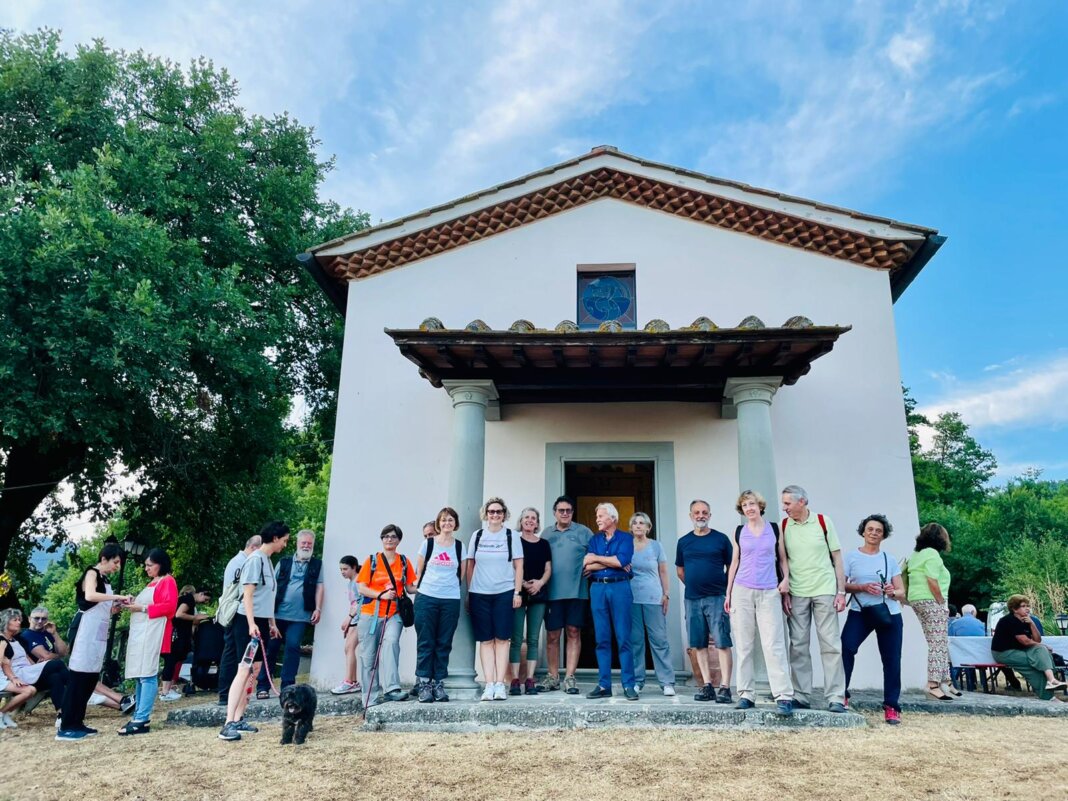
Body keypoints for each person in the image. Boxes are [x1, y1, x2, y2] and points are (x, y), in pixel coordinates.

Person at [218, 521, 290, 742]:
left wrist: (271, 623)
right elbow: (247, 595)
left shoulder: (267, 561)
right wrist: (251, 624)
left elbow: (265, 596)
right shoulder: (255, 560)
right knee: (244, 669)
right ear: (275, 538)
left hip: (260, 621)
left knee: (254, 670)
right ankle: (228, 723)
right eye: (285, 540)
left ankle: (239, 717)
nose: (285, 545)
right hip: (246, 622)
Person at [724, 490, 794, 716]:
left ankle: (783, 695)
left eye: (752, 504)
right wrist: (728, 594)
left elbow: (782, 558)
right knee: (744, 645)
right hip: (742, 590)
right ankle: (745, 693)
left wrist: (785, 580)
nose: (749, 508)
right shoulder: (738, 532)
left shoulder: (774, 529)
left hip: (768, 590)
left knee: (773, 643)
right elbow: (734, 563)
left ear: (759, 505)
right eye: (745, 505)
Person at [780, 485, 848, 713]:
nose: (784, 508)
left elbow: (837, 558)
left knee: (830, 645)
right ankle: (801, 695)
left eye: (788, 503)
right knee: (798, 645)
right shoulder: (784, 526)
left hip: (825, 590)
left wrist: (841, 592)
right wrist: (786, 591)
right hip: (798, 593)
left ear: (802, 502)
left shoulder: (822, 521)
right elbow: (783, 561)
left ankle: (836, 697)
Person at [56, 542, 132, 741]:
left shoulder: (105, 579)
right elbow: (89, 595)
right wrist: (117, 596)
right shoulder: (92, 573)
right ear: (104, 559)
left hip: (97, 631)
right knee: (78, 677)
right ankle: (66, 725)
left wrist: (115, 606)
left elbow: (102, 605)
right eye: (115, 562)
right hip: (85, 629)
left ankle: (77, 721)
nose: (117, 566)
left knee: (90, 678)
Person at [840, 514, 905, 725]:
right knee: (846, 648)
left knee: (892, 659)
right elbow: (841, 584)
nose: (874, 533)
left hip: (888, 613)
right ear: (863, 531)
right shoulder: (851, 557)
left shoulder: (889, 559)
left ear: (883, 535)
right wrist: (863, 587)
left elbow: (901, 591)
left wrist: (891, 591)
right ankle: (842, 694)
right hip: (860, 611)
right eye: (870, 529)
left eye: (878, 530)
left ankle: (891, 706)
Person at [18, 605, 132, 714]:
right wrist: (57, 656)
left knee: (83, 679)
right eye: (36, 618)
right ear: (29, 619)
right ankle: (121, 700)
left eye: (43, 619)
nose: (40, 621)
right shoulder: (28, 635)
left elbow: (64, 651)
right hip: (38, 677)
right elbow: (46, 656)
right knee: (82, 679)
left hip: (56, 673)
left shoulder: (46, 633)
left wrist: (54, 633)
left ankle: (122, 704)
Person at [676, 499, 734, 703]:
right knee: (698, 643)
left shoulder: (721, 539)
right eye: (696, 512)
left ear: (709, 515)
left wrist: (725, 588)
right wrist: (694, 583)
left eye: (704, 512)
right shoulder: (684, 542)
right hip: (692, 598)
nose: (700, 515)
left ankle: (725, 688)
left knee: (722, 641)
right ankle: (707, 686)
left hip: (717, 597)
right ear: (690, 516)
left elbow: (732, 566)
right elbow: (680, 571)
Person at [465, 498, 523, 701]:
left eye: (499, 512)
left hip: (504, 592)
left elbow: (519, 566)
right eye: (491, 512)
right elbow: (470, 565)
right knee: (486, 640)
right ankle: (489, 684)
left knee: (502, 639)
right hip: (480, 594)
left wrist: (517, 593)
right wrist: (470, 592)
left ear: (504, 514)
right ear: (486, 514)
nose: (495, 515)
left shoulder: (511, 535)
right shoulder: (478, 535)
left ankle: (500, 684)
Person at [257, 529, 324, 698]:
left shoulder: (317, 564)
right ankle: (263, 685)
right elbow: (271, 585)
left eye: (309, 543)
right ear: (297, 544)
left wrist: (318, 608)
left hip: (300, 616)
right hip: (278, 614)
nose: (306, 546)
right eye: (304, 543)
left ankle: (288, 687)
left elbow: (320, 587)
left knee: (293, 647)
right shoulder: (284, 562)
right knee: (271, 648)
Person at [356, 524, 417, 707]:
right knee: (368, 656)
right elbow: (361, 587)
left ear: (399, 540)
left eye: (393, 536)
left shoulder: (404, 562)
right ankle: (370, 696)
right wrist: (380, 595)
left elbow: (410, 587)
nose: (389, 539)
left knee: (391, 643)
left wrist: (428, 586)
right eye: (385, 536)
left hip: (394, 613)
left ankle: (392, 689)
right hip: (370, 614)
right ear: (381, 539)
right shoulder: (372, 560)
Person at [118, 548, 178, 735]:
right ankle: (138, 715)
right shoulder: (154, 582)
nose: (146, 568)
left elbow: (169, 607)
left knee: (147, 673)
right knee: (140, 673)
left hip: (152, 632)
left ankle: (142, 717)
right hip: (143, 632)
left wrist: (141, 607)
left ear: (160, 564)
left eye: (150, 565)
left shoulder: (167, 581)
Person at [539, 495, 593, 694]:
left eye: (568, 510)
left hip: (577, 592)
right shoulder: (546, 533)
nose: (565, 513)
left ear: (572, 512)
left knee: (573, 632)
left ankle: (570, 677)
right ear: (555, 512)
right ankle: (553, 677)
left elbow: (596, 553)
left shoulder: (584, 532)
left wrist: (592, 568)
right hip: (552, 592)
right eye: (561, 510)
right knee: (553, 635)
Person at [583, 502, 638, 700]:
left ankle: (628, 684)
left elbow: (621, 561)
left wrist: (597, 559)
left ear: (612, 518)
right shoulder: (595, 539)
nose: (597, 519)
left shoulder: (625, 538)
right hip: (598, 588)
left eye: (601, 516)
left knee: (624, 637)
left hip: (620, 587)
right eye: (597, 515)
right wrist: (609, 561)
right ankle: (604, 685)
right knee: (601, 638)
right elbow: (586, 562)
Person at [414, 507, 465, 703]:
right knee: (426, 641)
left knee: (444, 642)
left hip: (450, 599)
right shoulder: (427, 544)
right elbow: (420, 571)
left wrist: (449, 588)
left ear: (455, 523)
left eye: (450, 520)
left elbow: (461, 573)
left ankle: (438, 683)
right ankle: (424, 684)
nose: (447, 523)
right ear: (438, 523)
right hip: (427, 596)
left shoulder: (460, 546)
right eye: (443, 520)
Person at [905, 522, 956, 700]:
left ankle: (946, 681)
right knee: (938, 643)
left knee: (937, 641)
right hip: (932, 601)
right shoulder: (933, 554)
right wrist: (942, 602)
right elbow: (932, 580)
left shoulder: (916, 555)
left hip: (916, 600)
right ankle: (933, 684)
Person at [628, 512, 675, 696]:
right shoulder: (626, 545)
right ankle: (637, 681)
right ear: (631, 527)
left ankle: (667, 682)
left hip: (653, 599)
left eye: (642, 523)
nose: (638, 526)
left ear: (648, 527)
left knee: (659, 640)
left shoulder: (656, 546)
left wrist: (666, 594)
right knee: (635, 641)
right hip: (631, 599)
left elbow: (664, 571)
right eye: (635, 523)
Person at [508, 507, 552, 695]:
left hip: (538, 593)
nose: (530, 520)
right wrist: (524, 584)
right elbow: (510, 565)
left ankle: (531, 679)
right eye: (526, 517)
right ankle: (515, 680)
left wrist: (540, 583)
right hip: (519, 592)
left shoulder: (543, 544)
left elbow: (548, 568)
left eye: (533, 518)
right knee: (516, 639)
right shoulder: (514, 540)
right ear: (521, 520)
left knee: (533, 638)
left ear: (537, 522)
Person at [990, 595, 1067, 701]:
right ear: (1014, 609)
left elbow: (1037, 640)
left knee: (1041, 650)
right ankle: (1048, 697)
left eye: (1028, 606)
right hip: (1004, 653)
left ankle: (1051, 679)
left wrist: (1032, 624)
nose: (1027, 608)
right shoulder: (1009, 620)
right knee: (1035, 665)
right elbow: (1025, 641)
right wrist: (1043, 646)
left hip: (1021, 650)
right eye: (1023, 606)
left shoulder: (1026, 621)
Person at [217, 534, 262, 706]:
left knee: (231, 651)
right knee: (233, 653)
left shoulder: (236, 561)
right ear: (254, 548)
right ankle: (226, 693)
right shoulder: (242, 563)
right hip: (235, 611)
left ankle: (227, 692)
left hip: (233, 610)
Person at [160, 586, 210, 701]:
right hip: (176, 635)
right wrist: (196, 617)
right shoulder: (188, 599)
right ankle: (165, 691)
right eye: (205, 599)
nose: (205, 602)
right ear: (201, 593)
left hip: (180, 635)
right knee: (171, 661)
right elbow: (179, 614)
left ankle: (169, 688)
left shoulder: (187, 601)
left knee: (175, 661)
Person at [0, 608, 42, 728]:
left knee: (30, 690)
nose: (19, 622)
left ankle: (4, 713)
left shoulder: (7, 642)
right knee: (28, 690)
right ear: (6, 622)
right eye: (15, 620)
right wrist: (1, 648)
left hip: (3, 678)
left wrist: (14, 678)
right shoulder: (1, 641)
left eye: (19, 620)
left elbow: (6, 664)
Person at [331, 556, 362, 695]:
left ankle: (349, 682)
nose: (342, 572)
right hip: (354, 619)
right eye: (341, 569)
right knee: (348, 648)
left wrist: (349, 619)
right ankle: (353, 681)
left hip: (360, 619)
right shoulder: (351, 582)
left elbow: (361, 602)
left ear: (354, 567)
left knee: (349, 648)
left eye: (345, 569)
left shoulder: (358, 581)